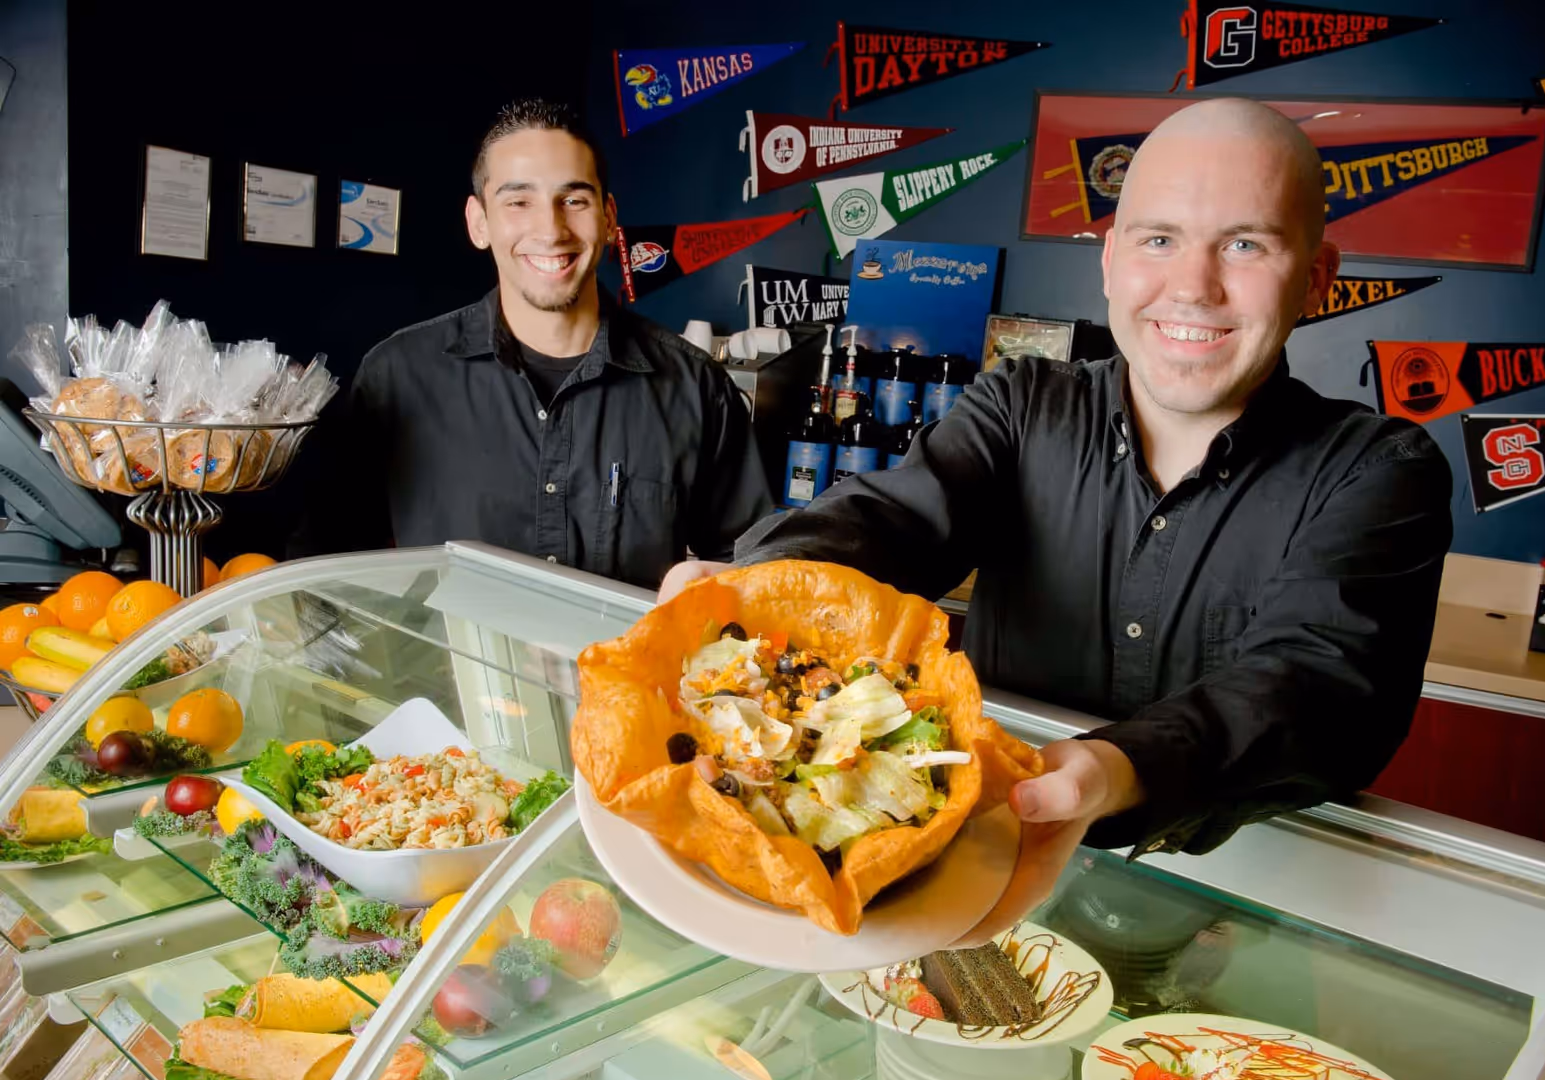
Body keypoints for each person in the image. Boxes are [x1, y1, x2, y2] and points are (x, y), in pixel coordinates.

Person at [659, 99, 1453, 942]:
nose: (1193, 285)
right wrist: (761, 584)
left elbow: (1316, 687)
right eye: (1159, 239)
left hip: (1233, 919)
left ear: (1319, 276)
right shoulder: (1023, 402)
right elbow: (897, 520)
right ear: (1110, 260)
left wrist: (1115, 768)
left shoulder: (1378, 469)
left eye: (1246, 244)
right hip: (968, 882)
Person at [292, 99, 771, 589]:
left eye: (575, 200)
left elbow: (750, 568)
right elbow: (327, 568)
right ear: (479, 223)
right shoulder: (396, 375)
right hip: (441, 668)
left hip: (625, 667)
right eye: (519, 202)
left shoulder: (696, 387)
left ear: (608, 219)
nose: (550, 229)